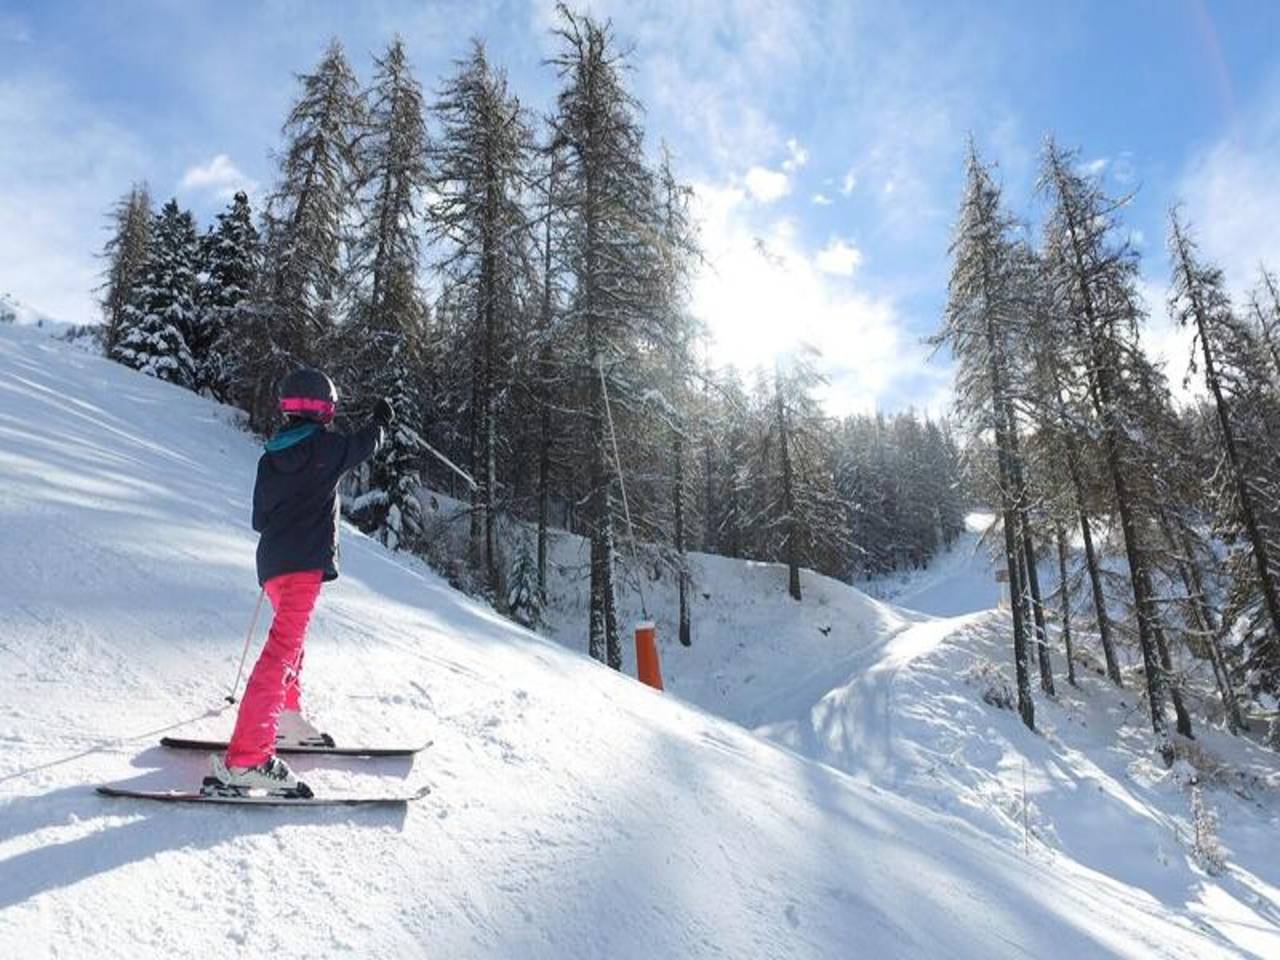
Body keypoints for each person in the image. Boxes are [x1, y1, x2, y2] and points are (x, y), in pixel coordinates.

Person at [208, 368, 394, 794]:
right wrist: (382, 420)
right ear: (325, 409)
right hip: (302, 566)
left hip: (273, 567)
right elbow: (363, 445)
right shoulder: (325, 447)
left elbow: (260, 519)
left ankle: (286, 720)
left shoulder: (270, 456)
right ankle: (249, 757)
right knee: (281, 654)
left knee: (291, 647)